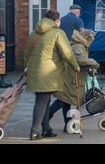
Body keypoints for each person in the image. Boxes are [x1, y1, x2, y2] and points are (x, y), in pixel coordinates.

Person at [23, 10, 79, 140]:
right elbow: (67, 53)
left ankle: (47, 128)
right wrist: (75, 66)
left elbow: (26, 53)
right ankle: (35, 131)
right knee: (42, 101)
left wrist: (27, 68)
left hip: (35, 72)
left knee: (44, 99)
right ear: (57, 21)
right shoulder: (58, 33)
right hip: (48, 74)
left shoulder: (34, 33)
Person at [49, 29, 99, 132]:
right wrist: (93, 62)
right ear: (87, 39)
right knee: (62, 101)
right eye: (91, 40)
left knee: (65, 101)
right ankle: (45, 118)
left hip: (72, 78)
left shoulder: (80, 46)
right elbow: (81, 60)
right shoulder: (78, 46)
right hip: (70, 78)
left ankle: (67, 125)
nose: (91, 43)